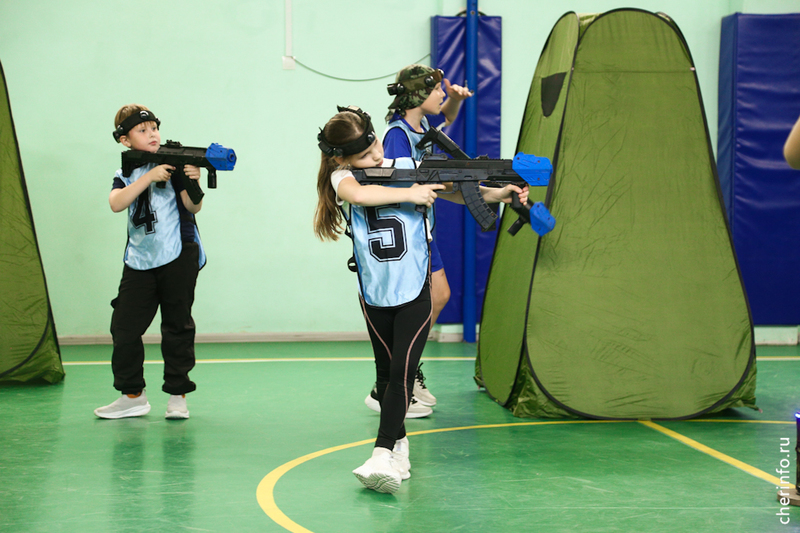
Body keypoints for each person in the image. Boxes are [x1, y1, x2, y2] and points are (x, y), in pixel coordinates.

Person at [314, 105, 528, 493]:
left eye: (375, 146)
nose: (376, 156)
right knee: (385, 376)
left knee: (402, 374)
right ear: (343, 159)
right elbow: (359, 194)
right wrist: (410, 193)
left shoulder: (408, 166)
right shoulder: (342, 177)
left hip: (415, 289)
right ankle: (399, 449)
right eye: (365, 155)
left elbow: (459, 191)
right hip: (374, 292)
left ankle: (381, 454)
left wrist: (497, 192)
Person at [362, 64, 473, 417]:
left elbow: (446, 118)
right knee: (425, 304)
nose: (442, 94)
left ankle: (404, 377)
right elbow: (397, 182)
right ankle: (391, 387)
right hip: (407, 235)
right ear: (418, 95)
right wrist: (444, 183)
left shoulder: (420, 126)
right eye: (437, 89)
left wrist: (455, 100)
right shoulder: (397, 135)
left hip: (421, 230)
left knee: (438, 297)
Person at [94, 105, 206, 420]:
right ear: (125, 140)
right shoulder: (125, 172)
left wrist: (193, 181)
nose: (152, 134)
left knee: (177, 326)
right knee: (124, 327)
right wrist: (149, 177)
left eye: (154, 128)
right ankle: (132, 395)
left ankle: (178, 396)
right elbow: (116, 203)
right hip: (139, 259)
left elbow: (193, 207)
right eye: (142, 131)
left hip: (178, 254)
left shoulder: (175, 165)